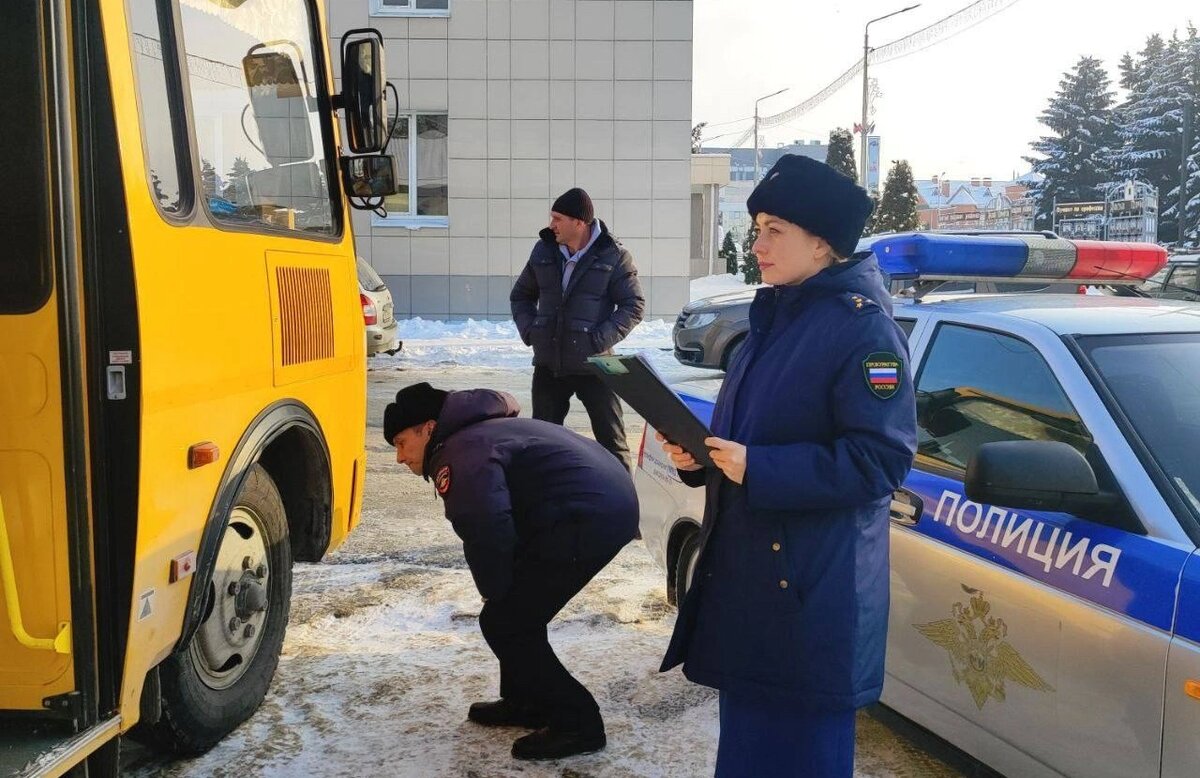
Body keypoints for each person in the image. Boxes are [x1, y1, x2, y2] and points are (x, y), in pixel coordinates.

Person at [657, 155, 917, 777]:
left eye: (775, 229)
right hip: (753, 583)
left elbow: (880, 460)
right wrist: (704, 458)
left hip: (809, 595)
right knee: (747, 755)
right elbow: (751, 436)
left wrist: (761, 468)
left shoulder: (865, 333)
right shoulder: (773, 318)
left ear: (822, 242)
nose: (758, 244)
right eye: (756, 228)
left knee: (800, 757)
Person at [383, 381, 639, 760]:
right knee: (516, 613)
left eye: (402, 443)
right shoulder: (478, 434)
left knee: (507, 622)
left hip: (588, 517)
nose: (399, 458)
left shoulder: (461, 451)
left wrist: (495, 589)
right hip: (594, 507)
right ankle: (526, 702)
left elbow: (484, 525)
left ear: (429, 428)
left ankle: (579, 724)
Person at [510, 187, 645, 470]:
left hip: (596, 365)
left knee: (612, 443)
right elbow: (521, 295)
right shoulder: (543, 250)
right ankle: (546, 500)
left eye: (558, 218)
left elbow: (633, 305)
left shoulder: (614, 255)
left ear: (579, 222)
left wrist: (598, 340)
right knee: (543, 443)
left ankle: (623, 503)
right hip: (550, 364)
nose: (551, 225)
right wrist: (531, 332)